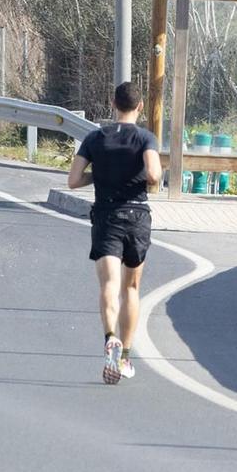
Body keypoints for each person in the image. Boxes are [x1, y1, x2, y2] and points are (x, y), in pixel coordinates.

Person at [68, 81, 161, 384]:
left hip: (106, 216)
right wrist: (148, 180)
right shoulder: (146, 138)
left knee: (108, 284)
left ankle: (110, 337)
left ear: (113, 103)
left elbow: (73, 180)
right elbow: (153, 174)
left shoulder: (94, 138)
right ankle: (126, 356)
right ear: (140, 107)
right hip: (137, 216)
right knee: (130, 288)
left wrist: (101, 175)